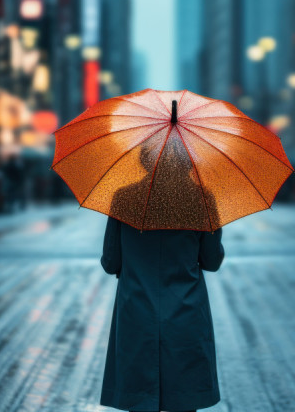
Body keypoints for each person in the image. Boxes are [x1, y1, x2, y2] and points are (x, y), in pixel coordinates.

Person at [100, 144, 225, 412]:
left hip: (136, 309)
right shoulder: (202, 198)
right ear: (187, 162)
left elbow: (111, 262)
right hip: (185, 311)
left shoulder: (124, 198)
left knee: (139, 399)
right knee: (184, 398)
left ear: (145, 160)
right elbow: (212, 262)